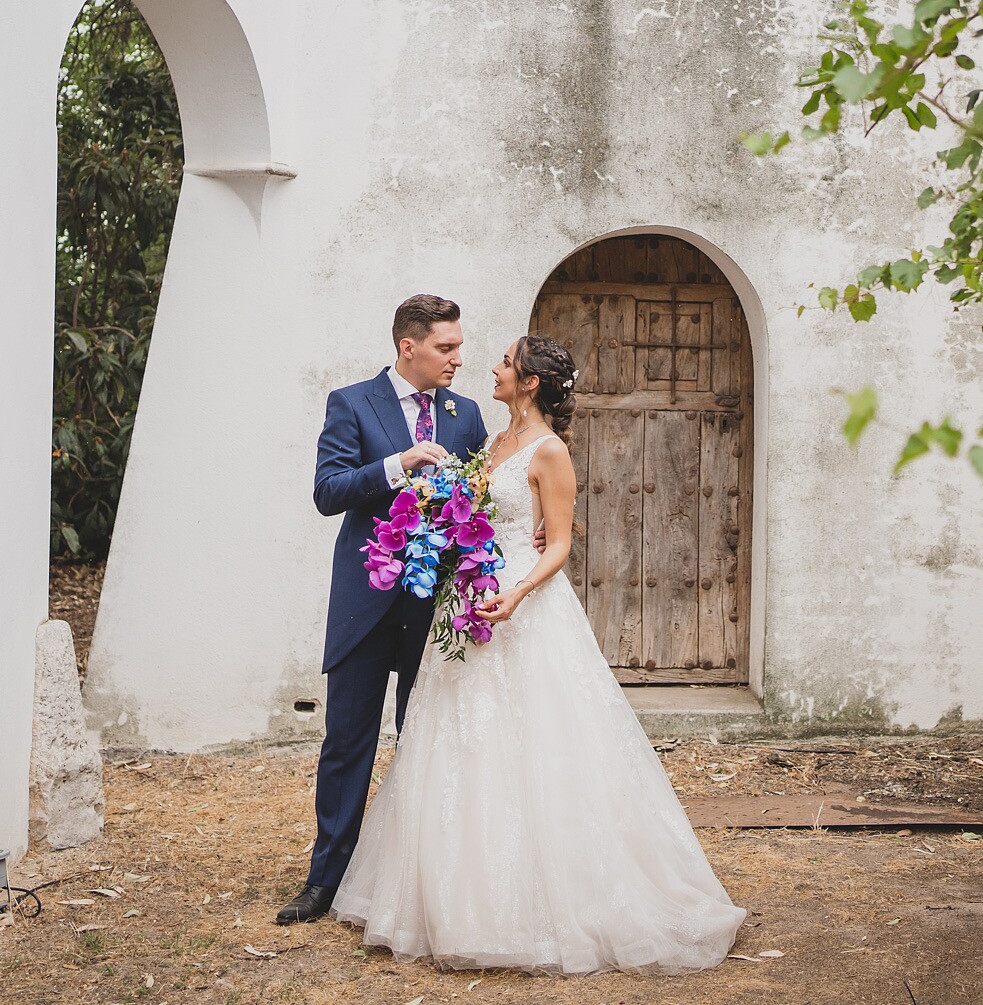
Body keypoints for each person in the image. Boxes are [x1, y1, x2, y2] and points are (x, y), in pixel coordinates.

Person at [332, 335, 747, 973]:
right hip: (465, 599)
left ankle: (546, 897)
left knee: (538, 741)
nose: (489, 369)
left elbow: (557, 547)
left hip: (519, 608)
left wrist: (518, 593)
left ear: (528, 383)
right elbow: (472, 515)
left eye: (503, 362)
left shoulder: (550, 451)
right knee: (457, 742)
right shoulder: (491, 442)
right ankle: (447, 890)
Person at [276, 295, 490, 927]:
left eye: (458, 346)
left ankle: (420, 886)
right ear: (408, 348)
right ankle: (325, 881)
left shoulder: (466, 413)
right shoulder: (352, 403)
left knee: (429, 744)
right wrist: (398, 465)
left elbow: (479, 504)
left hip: (436, 611)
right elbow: (328, 492)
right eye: (445, 347)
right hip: (366, 606)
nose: (457, 358)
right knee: (348, 745)